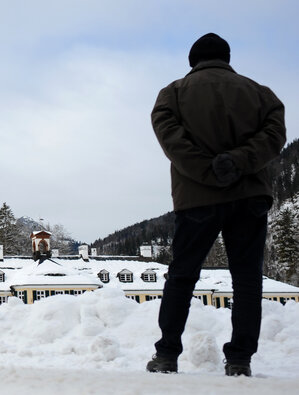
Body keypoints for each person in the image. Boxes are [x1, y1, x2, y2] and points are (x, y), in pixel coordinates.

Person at [146, 33, 286, 376]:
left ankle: (167, 355)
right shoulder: (261, 93)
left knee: (181, 276)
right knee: (247, 279)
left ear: (193, 61)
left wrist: (205, 171)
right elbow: (274, 136)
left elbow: (171, 139)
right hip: (248, 195)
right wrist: (238, 162)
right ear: (226, 58)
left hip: (196, 197)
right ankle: (239, 359)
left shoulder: (173, 93)